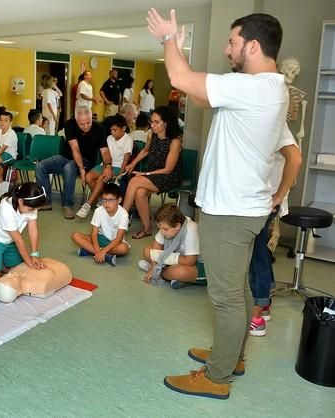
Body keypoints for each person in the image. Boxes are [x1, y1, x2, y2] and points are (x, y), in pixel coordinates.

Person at [147, 9, 287, 399]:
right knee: (237, 290)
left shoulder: (255, 88)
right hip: (245, 209)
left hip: (231, 212)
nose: (227, 50)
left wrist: (169, 39)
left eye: (233, 42)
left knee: (225, 297)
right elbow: (196, 92)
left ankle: (217, 376)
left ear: (253, 46)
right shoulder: (268, 88)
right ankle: (232, 356)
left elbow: (179, 79)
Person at [247, 124, 302, 336]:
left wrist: (278, 195)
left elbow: (295, 160)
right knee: (260, 249)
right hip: (261, 198)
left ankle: (257, 316)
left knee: (256, 253)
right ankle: (265, 303)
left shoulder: (275, 123)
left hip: (265, 199)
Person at [36, 106, 111, 219]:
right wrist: (81, 169)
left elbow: (105, 151)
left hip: (86, 160)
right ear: (76, 120)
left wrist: (108, 166)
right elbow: (75, 149)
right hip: (66, 156)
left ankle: (68, 204)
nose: (86, 126)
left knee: (69, 168)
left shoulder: (99, 129)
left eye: (88, 122)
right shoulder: (70, 124)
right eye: (82, 124)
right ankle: (46, 201)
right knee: (40, 167)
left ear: (92, 118)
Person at [123, 106, 183, 239]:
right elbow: (145, 150)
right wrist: (132, 164)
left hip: (168, 176)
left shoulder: (175, 142)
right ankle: (147, 229)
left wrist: (145, 174)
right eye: (152, 121)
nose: (152, 125)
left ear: (166, 123)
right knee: (140, 192)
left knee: (134, 181)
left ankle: (120, 220)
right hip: (153, 175)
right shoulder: (153, 135)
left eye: (156, 122)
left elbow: (168, 169)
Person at [77, 114, 133, 218]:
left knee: (101, 178)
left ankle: (88, 204)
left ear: (124, 128)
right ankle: (101, 199)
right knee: (88, 177)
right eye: (111, 130)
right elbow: (106, 155)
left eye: (115, 130)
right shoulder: (109, 138)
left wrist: (120, 175)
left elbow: (125, 160)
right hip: (107, 165)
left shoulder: (128, 140)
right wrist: (107, 167)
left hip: (118, 167)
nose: (112, 132)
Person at [139, 203, 206, 289]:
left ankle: (161, 273)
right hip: (180, 259)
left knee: (180, 272)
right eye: (160, 228)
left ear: (177, 226)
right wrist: (153, 266)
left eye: (165, 229)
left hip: (198, 264)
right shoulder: (167, 226)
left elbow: (190, 261)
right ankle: (169, 276)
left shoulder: (191, 229)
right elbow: (155, 249)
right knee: (147, 250)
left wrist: (156, 265)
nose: (162, 232)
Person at [71, 183, 130, 266]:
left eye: (111, 200)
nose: (106, 203)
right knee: (75, 236)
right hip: (100, 239)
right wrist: (98, 251)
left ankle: (89, 251)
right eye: (104, 200)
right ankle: (105, 256)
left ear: (119, 200)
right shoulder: (98, 210)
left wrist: (103, 250)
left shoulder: (124, 214)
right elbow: (94, 233)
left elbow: (119, 239)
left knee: (124, 249)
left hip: (114, 242)